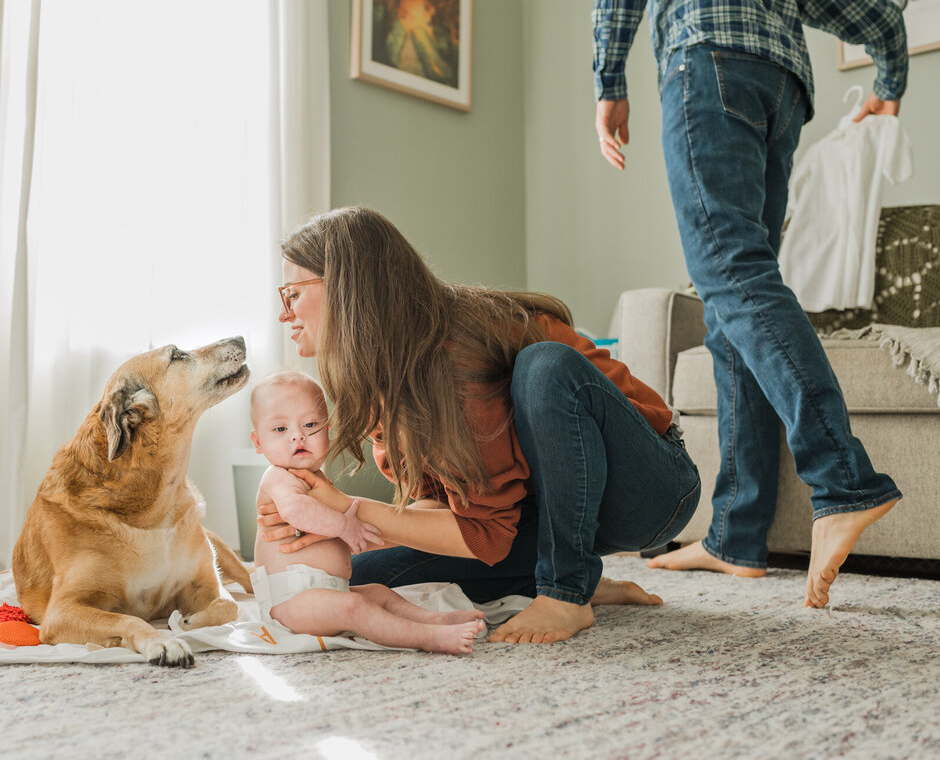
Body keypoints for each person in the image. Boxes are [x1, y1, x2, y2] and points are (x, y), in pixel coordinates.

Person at [591, 0, 907, 608]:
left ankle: (846, 482)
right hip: (782, 88)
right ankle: (736, 534)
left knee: (732, 274)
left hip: (706, 62)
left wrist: (609, 80)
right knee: (731, 302)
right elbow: (878, 16)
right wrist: (889, 82)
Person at [258, 206, 702, 644]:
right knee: (361, 574)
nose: (285, 313)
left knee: (543, 367)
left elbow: (484, 538)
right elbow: (460, 517)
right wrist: (334, 528)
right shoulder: (381, 380)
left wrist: (346, 508)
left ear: (343, 289)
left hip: (648, 490)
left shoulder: (460, 350)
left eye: (291, 293)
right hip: (547, 514)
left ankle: (566, 588)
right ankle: (564, 578)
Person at [249, 370, 487, 655]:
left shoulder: (316, 477)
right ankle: (426, 637)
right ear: (258, 442)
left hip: (327, 590)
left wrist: (345, 525)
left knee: (379, 593)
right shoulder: (278, 476)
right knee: (355, 606)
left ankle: (438, 620)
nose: (297, 436)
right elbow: (295, 509)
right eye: (280, 429)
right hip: (291, 603)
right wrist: (344, 526)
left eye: (310, 424)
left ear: (329, 430)